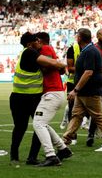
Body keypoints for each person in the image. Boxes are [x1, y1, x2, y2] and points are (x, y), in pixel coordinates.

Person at [9, 32, 65, 164]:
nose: (39, 42)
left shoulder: (28, 52)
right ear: (30, 44)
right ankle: (27, 156)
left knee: (29, 126)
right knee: (29, 126)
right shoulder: (30, 52)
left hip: (24, 97)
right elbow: (52, 63)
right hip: (24, 98)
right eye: (36, 41)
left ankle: (21, 156)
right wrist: (62, 65)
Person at [63, 28, 102, 152]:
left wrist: (75, 90)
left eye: (77, 36)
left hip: (90, 91)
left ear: (80, 38)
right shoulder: (90, 50)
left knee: (98, 116)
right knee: (76, 115)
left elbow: (88, 72)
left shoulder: (89, 51)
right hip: (85, 92)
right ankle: (66, 140)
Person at [31, 32, 73, 167]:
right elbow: (59, 68)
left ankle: (51, 155)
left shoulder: (45, 49)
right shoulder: (49, 50)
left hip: (52, 92)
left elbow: (50, 65)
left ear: (39, 41)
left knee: (38, 123)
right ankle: (63, 149)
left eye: (35, 41)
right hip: (54, 92)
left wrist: (36, 63)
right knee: (43, 123)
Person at [60, 41, 88, 134]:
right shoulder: (72, 49)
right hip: (72, 82)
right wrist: (87, 70)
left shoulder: (91, 49)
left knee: (90, 106)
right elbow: (70, 68)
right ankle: (72, 135)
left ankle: (89, 129)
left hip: (87, 82)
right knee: (71, 108)